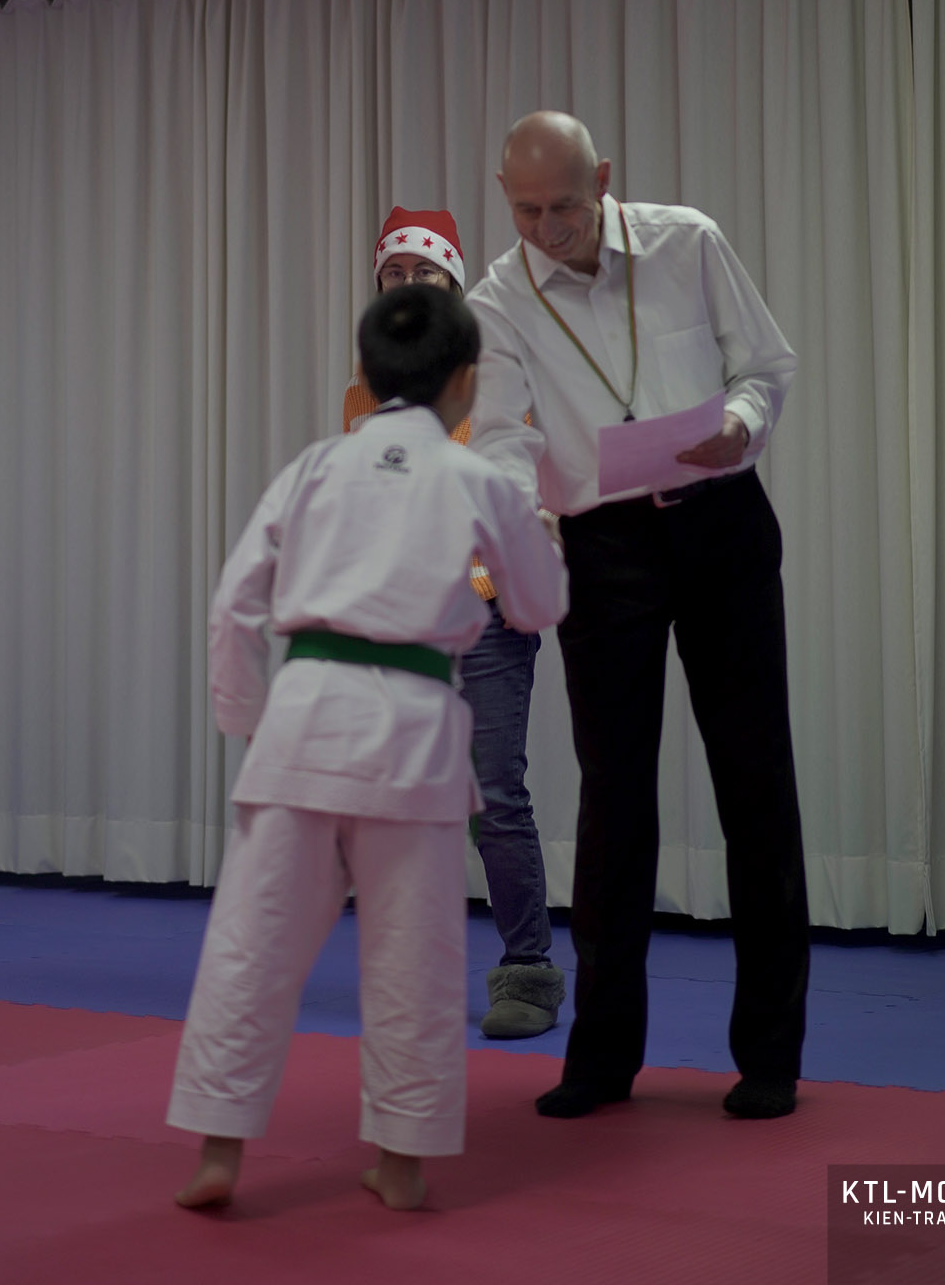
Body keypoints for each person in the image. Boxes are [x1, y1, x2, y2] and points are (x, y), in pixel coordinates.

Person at [167, 283, 567, 1213]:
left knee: (251, 946)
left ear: (362, 371)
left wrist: (248, 721)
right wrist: (543, 544)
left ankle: (218, 1150)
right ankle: (400, 1161)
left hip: (303, 721)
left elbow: (234, 603)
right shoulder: (476, 478)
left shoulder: (314, 466)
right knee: (412, 958)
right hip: (414, 735)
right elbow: (537, 606)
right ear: (468, 381)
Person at [466, 112, 809, 1123]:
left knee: (755, 781)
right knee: (613, 799)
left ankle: (770, 1053)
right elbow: (498, 436)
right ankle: (603, 1057)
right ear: (504, 196)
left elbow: (765, 368)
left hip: (721, 520)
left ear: (604, 179)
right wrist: (518, 518)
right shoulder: (497, 298)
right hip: (602, 546)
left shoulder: (685, 241)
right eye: (527, 210)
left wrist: (739, 423)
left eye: (565, 207)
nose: (548, 229)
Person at [342, 207, 566, 1040]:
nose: (408, 285)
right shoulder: (364, 389)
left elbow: (527, 478)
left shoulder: (496, 366)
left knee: (493, 797)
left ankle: (529, 972)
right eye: (393, 274)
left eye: (424, 273)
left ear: (454, 283)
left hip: (486, 613)